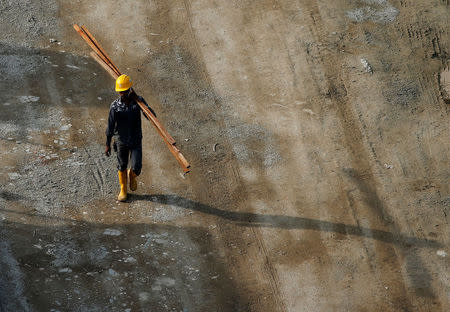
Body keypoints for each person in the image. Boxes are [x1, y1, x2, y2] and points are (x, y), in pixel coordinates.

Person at [105, 74, 153, 202]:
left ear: (130, 89)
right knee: (122, 165)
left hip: (136, 139)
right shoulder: (115, 106)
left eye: (125, 91)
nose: (123, 94)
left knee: (137, 167)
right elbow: (110, 126)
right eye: (121, 92)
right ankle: (123, 190)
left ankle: (132, 175)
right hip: (121, 140)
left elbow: (151, 116)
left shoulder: (138, 102)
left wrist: (143, 105)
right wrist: (107, 144)